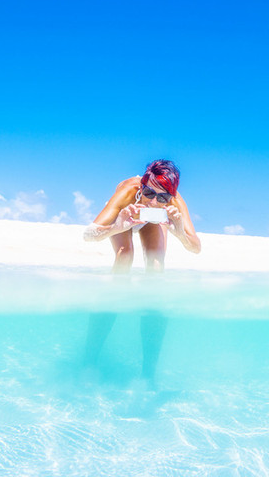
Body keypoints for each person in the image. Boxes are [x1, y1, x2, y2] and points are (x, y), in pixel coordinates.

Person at [82, 159, 201, 385]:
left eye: (163, 197)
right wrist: (119, 225)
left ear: (171, 195)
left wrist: (179, 232)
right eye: (148, 192)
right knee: (125, 257)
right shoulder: (129, 191)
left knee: (156, 272)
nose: (154, 202)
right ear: (143, 185)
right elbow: (89, 234)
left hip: (154, 223)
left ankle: (148, 374)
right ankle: (90, 360)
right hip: (124, 216)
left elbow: (196, 247)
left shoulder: (175, 201)